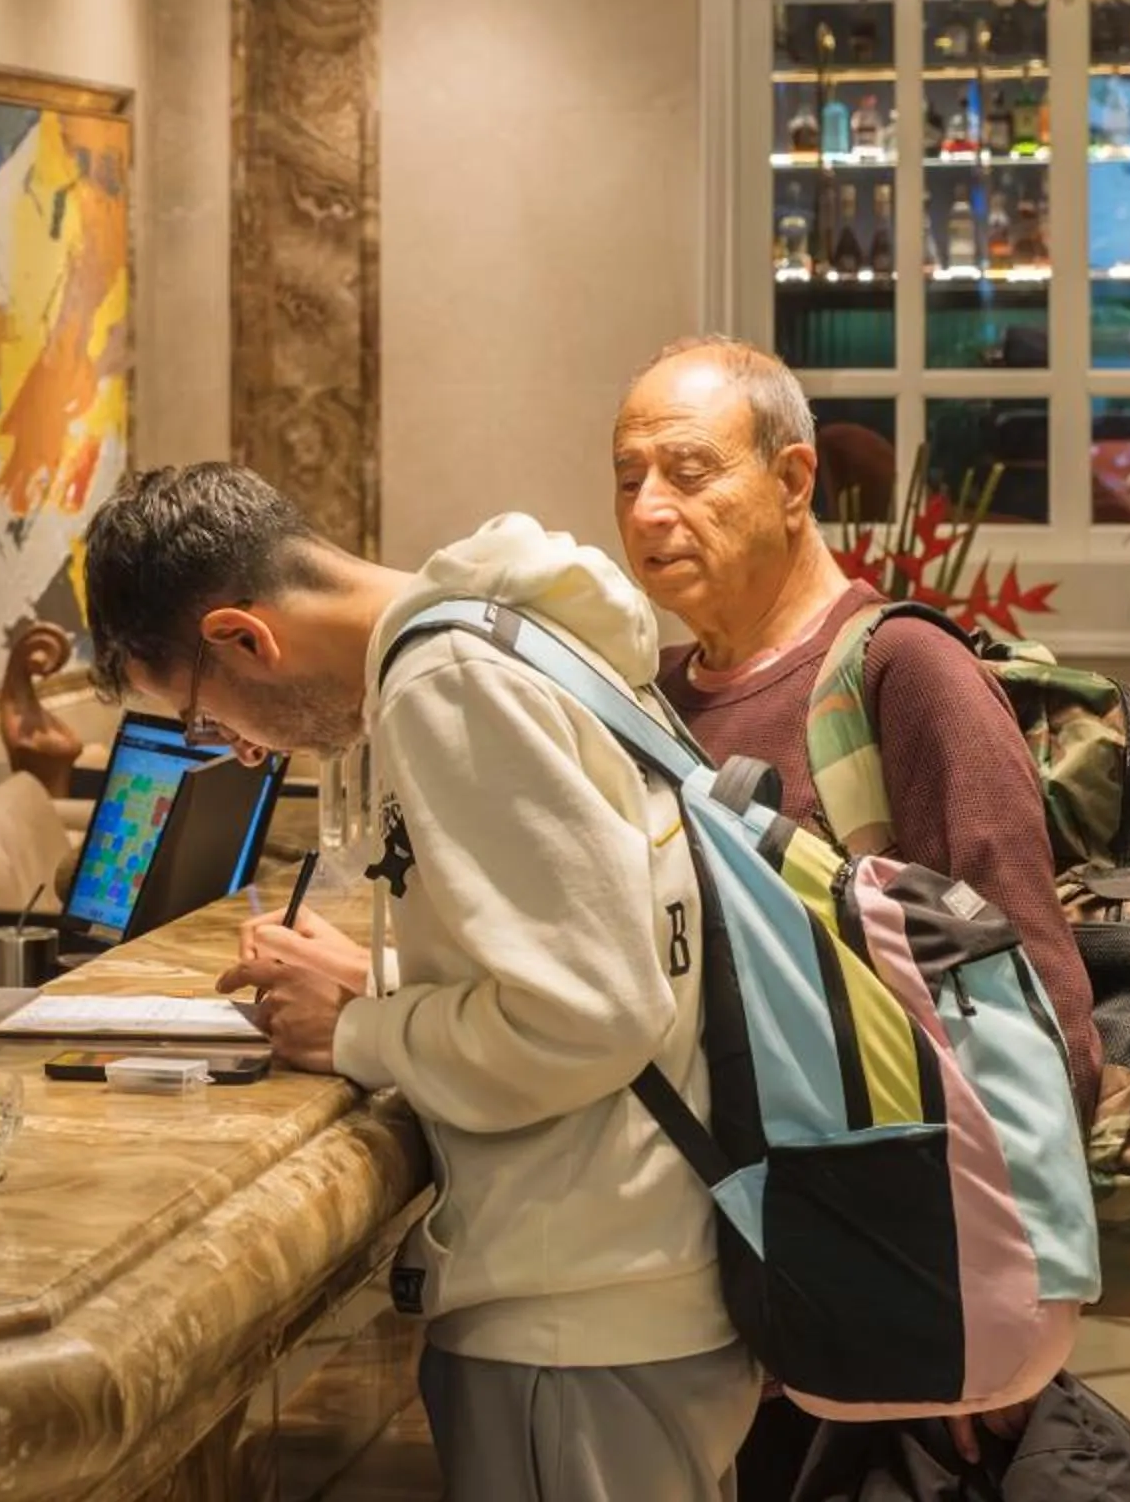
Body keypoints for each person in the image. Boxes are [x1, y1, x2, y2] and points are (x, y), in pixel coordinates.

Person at [85, 464, 758, 1501]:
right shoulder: (508, 628)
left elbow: (591, 1015)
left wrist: (359, 1028)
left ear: (244, 638)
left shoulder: (446, 682)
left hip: (578, 1297)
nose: (236, 744)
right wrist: (387, 979)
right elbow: (595, 937)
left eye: (203, 715)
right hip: (638, 1262)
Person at [612, 335, 1105, 1493]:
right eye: (626, 475)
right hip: (732, 1281)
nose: (648, 507)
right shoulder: (654, 702)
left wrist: (1009, 1324)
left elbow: (1041, 1002)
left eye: (688, 469)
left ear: (792, 482)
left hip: (897, 1285)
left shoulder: (902, 673)